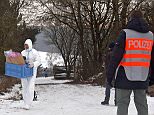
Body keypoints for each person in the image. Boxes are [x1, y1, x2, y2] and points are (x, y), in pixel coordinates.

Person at [106, 10, 154, 115]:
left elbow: (115, 57)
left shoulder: (125, 33)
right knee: (142, 105)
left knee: (123, 104)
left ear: (130, 18)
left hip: (125, 75)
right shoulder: (150, 36)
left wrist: (109, 76)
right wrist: (152, 78)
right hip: (142, 76)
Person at [21, 39, 41, 110]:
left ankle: (29, 103)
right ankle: (25, 102)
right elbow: (20, 60)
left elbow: (39, 61)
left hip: (32, 72)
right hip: (24, 72)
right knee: (24, 87)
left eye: (26, 45)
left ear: (29, 45)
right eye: (24, 45)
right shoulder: (22, 52)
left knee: (30, 87)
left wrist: (33, 64)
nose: (25, 46)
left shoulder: (34, 52)